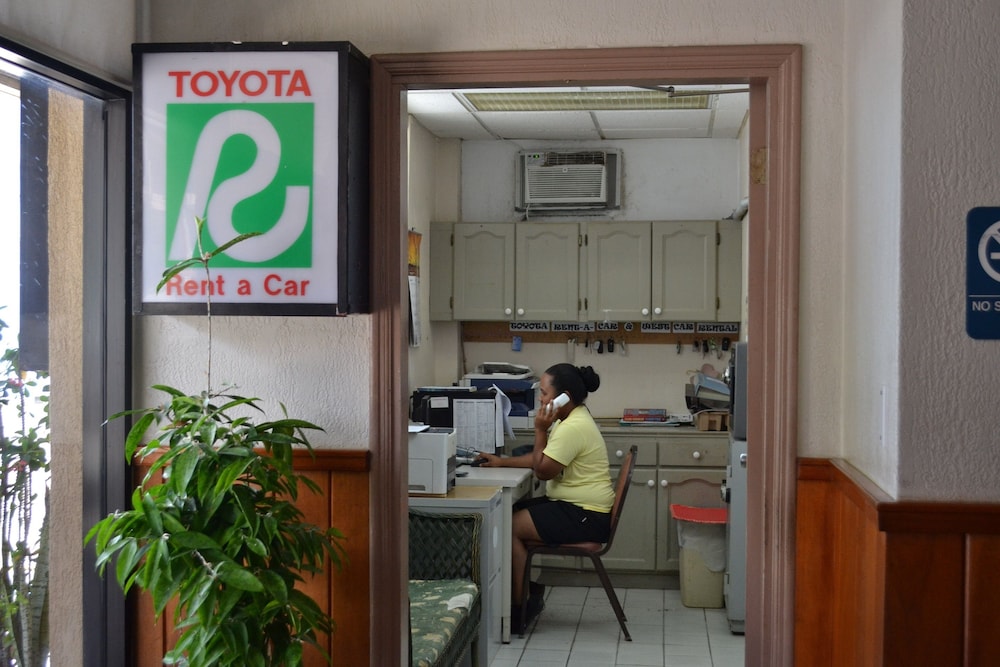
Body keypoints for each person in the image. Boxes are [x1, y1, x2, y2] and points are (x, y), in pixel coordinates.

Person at [475, 363, 615, 631]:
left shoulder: (573, 427)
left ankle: (519, 609)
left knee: (509, 526)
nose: (540, 399)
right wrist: (501, 462)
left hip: (587, 515)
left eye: (544, 393)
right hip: (580, 508)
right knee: (509, 514)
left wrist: (540, 430)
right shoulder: (572, 418)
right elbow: (545, 458)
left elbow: (542, 471)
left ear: (564, 398)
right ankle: (525, 594)